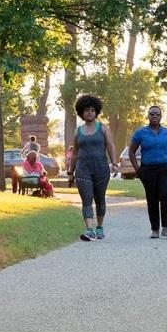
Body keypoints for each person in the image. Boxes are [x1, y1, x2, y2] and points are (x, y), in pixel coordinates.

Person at [68, 94, 118, 241]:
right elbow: (75, 153)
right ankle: (89, 229)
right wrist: (71, 172)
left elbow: (110, 145)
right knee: (86, 199)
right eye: (86, 110)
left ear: (96, 111)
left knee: (100, 199)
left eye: (91, 110)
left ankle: (99, 227)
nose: (89, 112)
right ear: (81, 113)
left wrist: (114, 163)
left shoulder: (103, 128)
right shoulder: (78, 131)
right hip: (83, 169)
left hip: (101, 168)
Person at [128, 105, 167, 238]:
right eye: (152, 114)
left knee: (166, 196)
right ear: (148, 116)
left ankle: (166, 227)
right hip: (147, 170)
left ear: (161, 116)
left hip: (165, 168)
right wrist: (138, 170)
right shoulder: (140, 133)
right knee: (152, 199)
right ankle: (155, 229)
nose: (154, 116)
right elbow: (131, 151)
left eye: (157, 114)